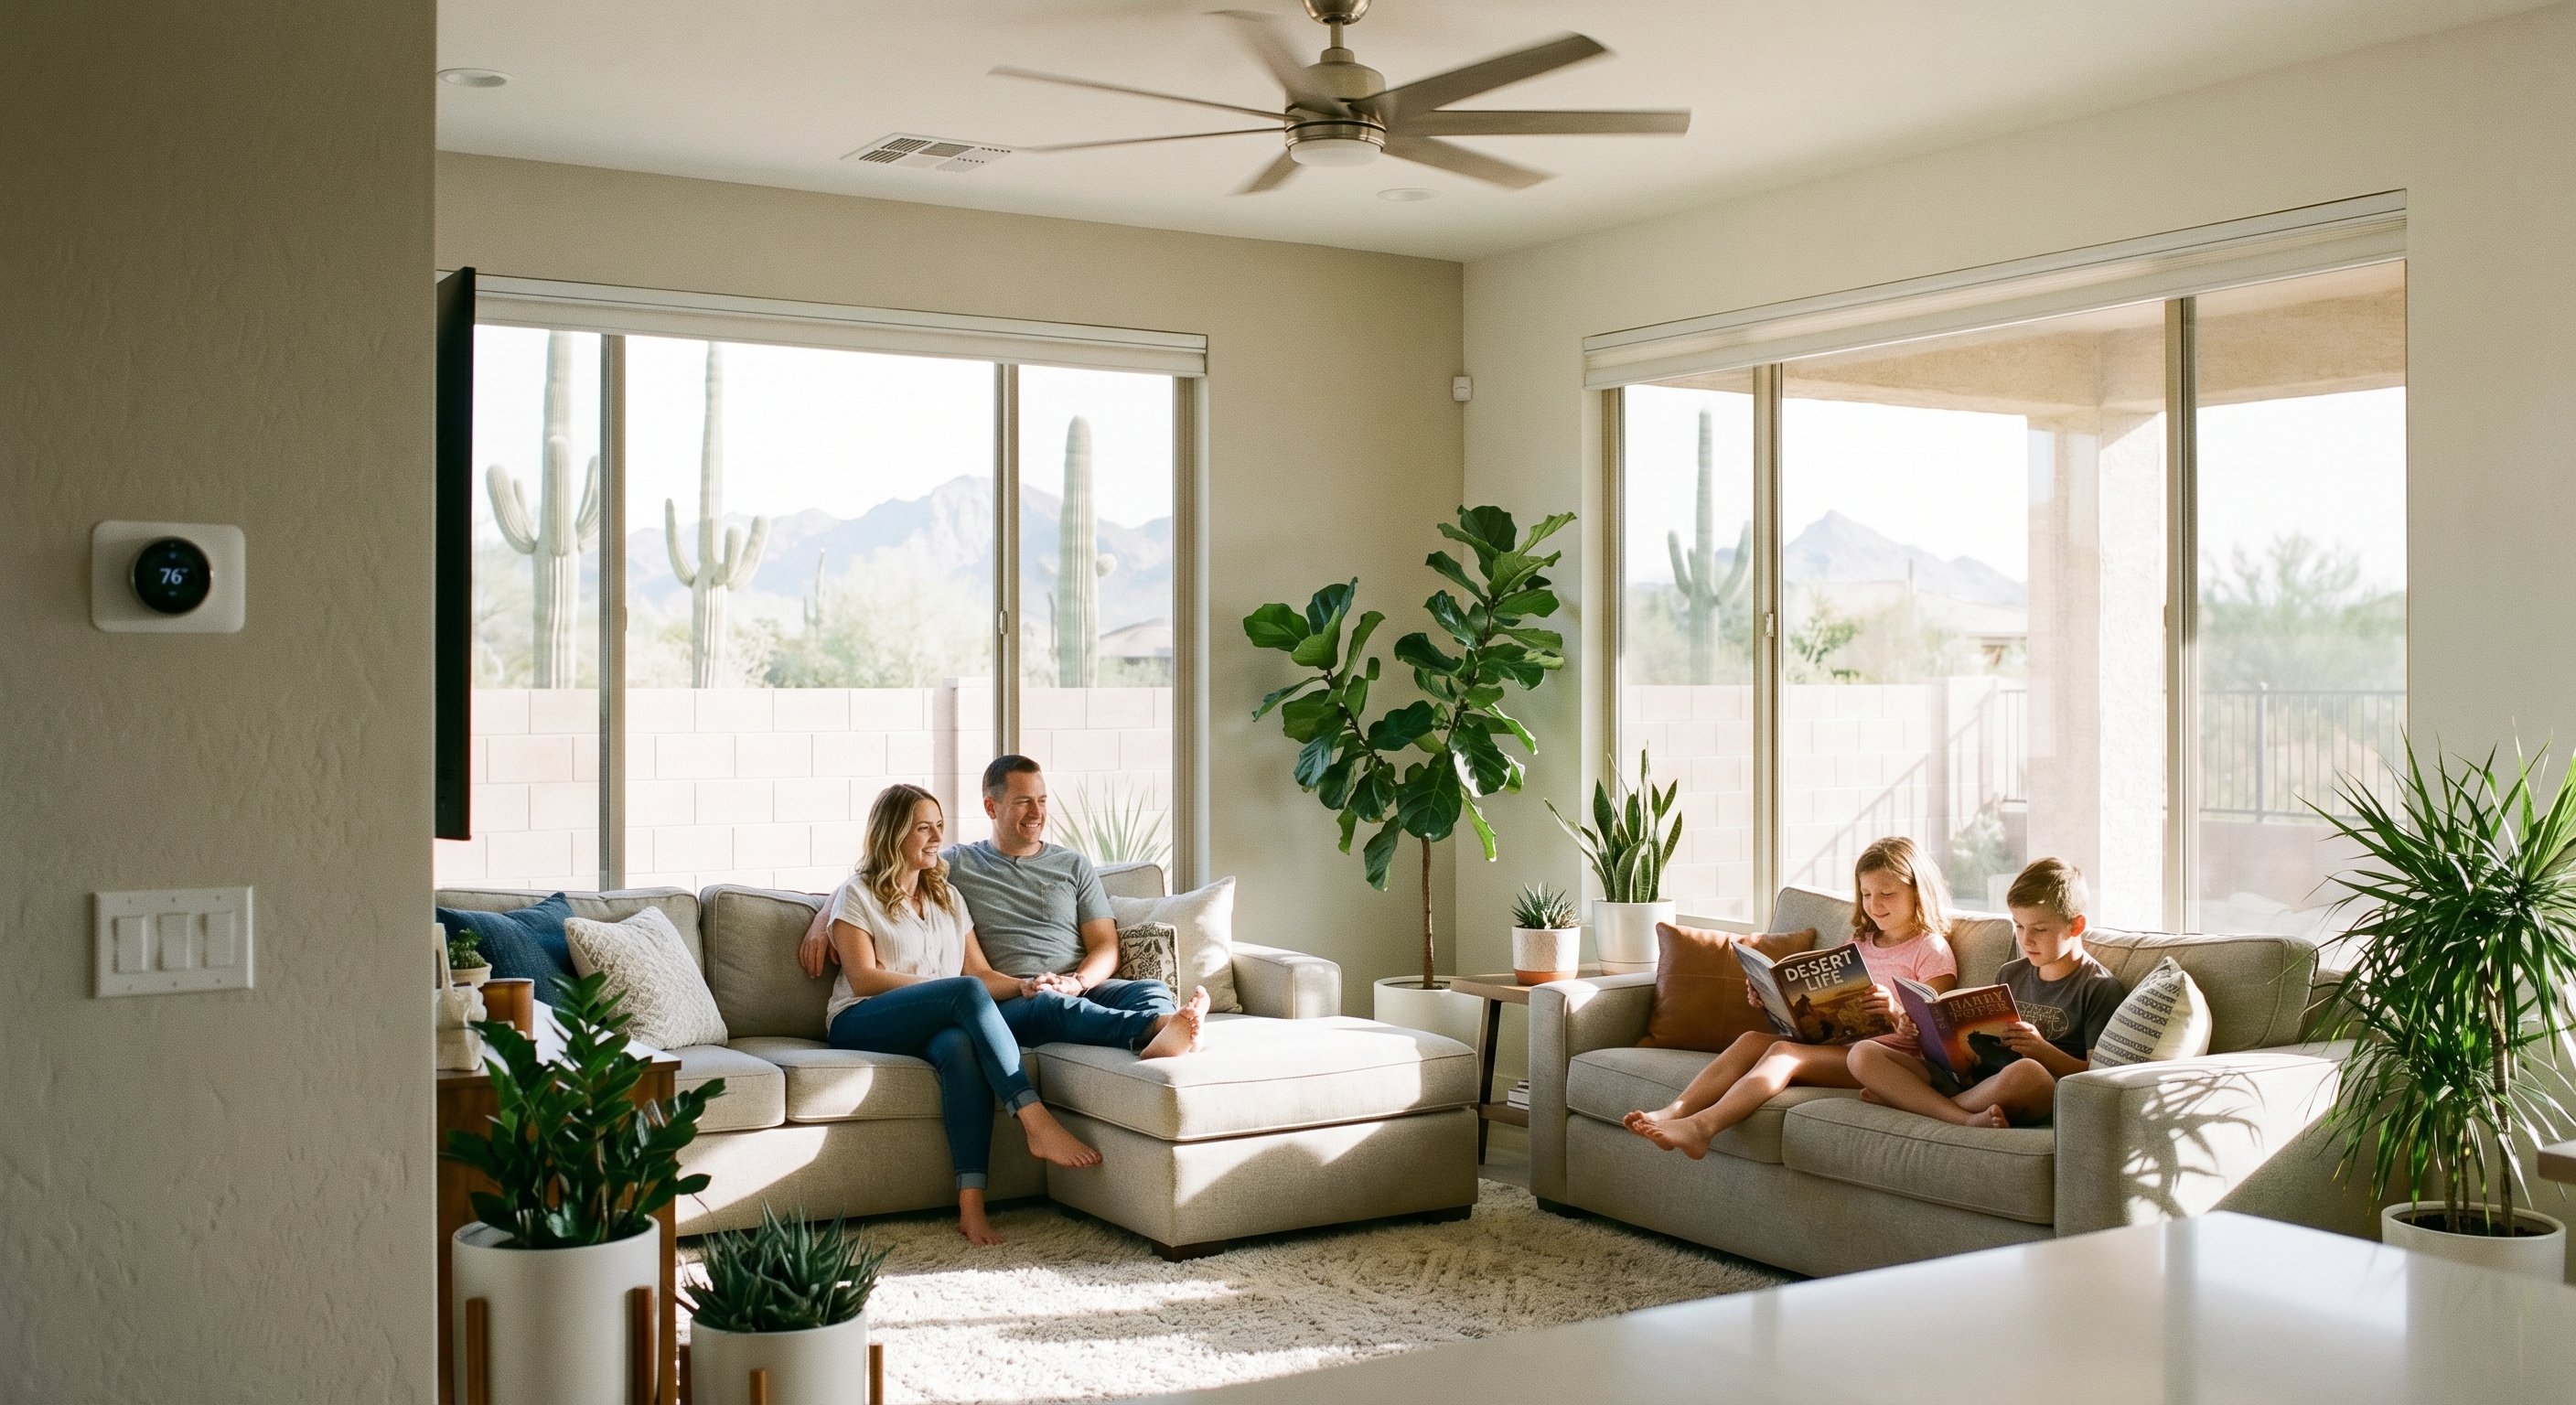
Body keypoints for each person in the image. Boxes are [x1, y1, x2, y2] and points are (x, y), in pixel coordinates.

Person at [820, 782, 1208, 1246]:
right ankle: (1037, 1119)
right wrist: (947, 992)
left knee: (960, 1048)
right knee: (961, 995)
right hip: (862, 1019)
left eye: (939, 827)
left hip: (938, 1023)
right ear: (892, 834)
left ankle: (971, 1206)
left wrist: (1026, 985)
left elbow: (979, 974)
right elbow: (863, 978)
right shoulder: (858, 895)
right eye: (922, 828)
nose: (935, 837)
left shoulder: (947, 897)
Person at [1625, 835, 1960, 1158]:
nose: (1875, 904)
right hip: (1837, 1046)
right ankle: (1675, 1110)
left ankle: (1702, 1127)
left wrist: (1894, 1010)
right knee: (1751, 1040)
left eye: (1887, 893)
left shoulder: (1930, 950)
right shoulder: (1858, 941)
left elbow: (1933, 1029)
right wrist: (1772, 1000)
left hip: (1887, 1061)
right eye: (1867, 894)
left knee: (1785, 1053)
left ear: (1918, 893)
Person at [803, 755, 1181, 1031]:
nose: (1036, 812)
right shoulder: (957, 864)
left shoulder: (1073, 865)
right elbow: (883, 869)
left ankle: (1164, 1033)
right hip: (1016, 997)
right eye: (1023, 802)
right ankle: (1150, 1031)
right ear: (990, 806)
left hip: (1080, 986)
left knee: (1149, 990)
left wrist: (1078, 982)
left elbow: (1106, 946)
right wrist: (824, 917)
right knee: (1051, 1006)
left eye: (1042, 801)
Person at [1849, 856, 2125, 1128]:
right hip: (1976, 1080)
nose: (2025, 939)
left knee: (2026, 1072)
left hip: (2031, 1087)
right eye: (2018, 925)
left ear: (2076, 926)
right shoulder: (2010, 973)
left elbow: (2096, 1076)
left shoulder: (2099, 988)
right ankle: (1945, 1107)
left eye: (2039, 929)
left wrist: (2041, 1049)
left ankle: (1921, 1104)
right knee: (1862, 1054)